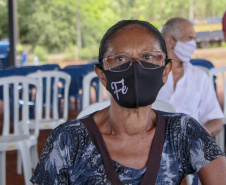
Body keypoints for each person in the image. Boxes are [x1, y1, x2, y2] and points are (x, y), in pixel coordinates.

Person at [31, 20, 226, 185]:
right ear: (102, 75)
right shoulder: (68, 140)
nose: (135, 68)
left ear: (165, 71)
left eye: (148, 57)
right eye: (120, 58)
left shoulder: (183, 131)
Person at [156, 17, 224, 138]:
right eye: (189, 38)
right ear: (170, 41)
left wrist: (202, 133)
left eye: (194, 39)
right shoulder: (147, 74)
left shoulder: (199, 77)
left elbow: (216, 120)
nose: (193, 44)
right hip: (153, 147)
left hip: (190, 148)